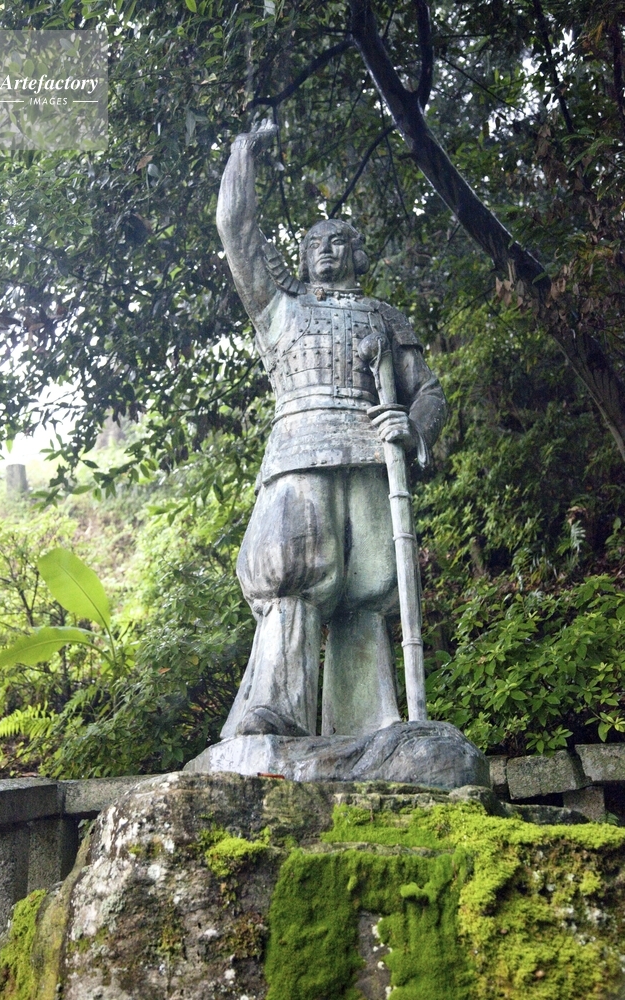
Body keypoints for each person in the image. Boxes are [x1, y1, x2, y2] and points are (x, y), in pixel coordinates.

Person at [216, 122, 447, 740]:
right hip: (299, 453)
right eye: (315, 241)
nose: (326, 248)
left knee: (367, 588)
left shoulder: (385, 317)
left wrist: (411, 426)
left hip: (370, 456)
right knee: (292, 575)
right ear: (302, 256)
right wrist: (243, 154)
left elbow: (429, 392)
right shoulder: (281, 308)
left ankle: (368, 723)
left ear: (357, 253)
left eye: (338, 239)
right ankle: (276, 711)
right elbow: (237, 233)